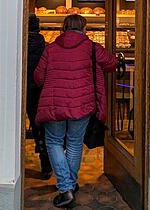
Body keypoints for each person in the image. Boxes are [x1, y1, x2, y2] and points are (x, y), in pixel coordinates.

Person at [33, 14, 118, 208]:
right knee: (74, 143)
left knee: (54, 141)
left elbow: (38, 76)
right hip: (82, 105)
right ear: (84, 29)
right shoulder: (92, 48)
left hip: (54, 104)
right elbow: (112, 63)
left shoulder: (51, 49)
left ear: (63, 29)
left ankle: (66, 189)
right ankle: (68, 186)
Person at [25, 13, 52, 178]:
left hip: (19, 90)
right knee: (39, 126)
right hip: (39, 89)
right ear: (38, 28)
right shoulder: (47, 47)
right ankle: (46, 162)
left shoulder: (16, 44)